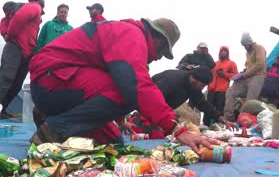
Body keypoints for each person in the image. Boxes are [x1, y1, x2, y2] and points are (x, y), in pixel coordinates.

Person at [28, 17, 216, 153]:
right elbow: (135, 84)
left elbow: (108, 81)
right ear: (156, 38)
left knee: (114, 146)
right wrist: (176, 129)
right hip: (51, 80)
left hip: (58, 82)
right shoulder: (132, 35)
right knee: (129, 93)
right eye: (162, 51)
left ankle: (52, 116)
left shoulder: (126, 34)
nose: (159, 57)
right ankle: (52, 131)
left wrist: (119, 121)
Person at [127, 67, 237, 138]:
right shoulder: (172, 80)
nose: (202, 88)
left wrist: (223, 120)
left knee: (172, 136)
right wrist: (156, 124)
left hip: (162, 116)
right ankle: (136, 122)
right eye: (202, 85)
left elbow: (203, 104)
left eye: (203, 86)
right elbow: (151, 101)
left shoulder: (193, 87)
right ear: (195, 79)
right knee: (156, 136)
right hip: (148, 113)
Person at [0, 0, 44, 118]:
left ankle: (3, 109)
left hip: (26, 52)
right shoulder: (34, 6)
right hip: (15, 47)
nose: (44, 0)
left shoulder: (35, 10)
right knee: (6, 79)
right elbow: (18, 19)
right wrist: (9, 36)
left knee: (17, 83)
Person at [224, 32, 266, 121]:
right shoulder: (247, 52)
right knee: (230, 91)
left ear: (250, 42)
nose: (245, 47)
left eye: (246, 45)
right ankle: (228, 118)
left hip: (258, 76)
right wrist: (241, 74)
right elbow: (248, 66)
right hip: (246, 76)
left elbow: (260, 64)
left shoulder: (259, 48)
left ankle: (246, 121)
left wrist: (245, 74)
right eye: (243, 45)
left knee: (250, 100)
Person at [203, 46, 238, 126]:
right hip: (211, 89)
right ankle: (205, 125)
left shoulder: (231, 63)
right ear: (219, 52)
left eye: (225, 51)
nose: (223, 52)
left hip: (222, 90)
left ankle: (219, 126)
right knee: (207, 107)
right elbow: (208, 74)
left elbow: (236, 75)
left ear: (228, 53)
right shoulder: (214, 63)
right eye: (222, 51)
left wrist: (224, 74)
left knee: (220, 108)